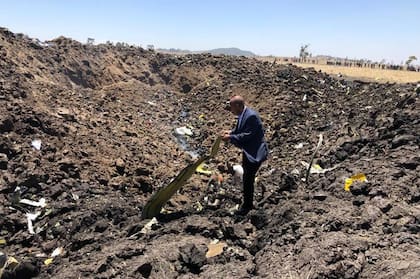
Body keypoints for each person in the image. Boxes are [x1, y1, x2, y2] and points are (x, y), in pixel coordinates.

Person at [221, 95, 268, 215]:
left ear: (238, 106)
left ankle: (247, 206)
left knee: (248, 178)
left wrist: (230, 137)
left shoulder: (251, 116)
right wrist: (230, 132)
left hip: (254, 152)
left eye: (231, 107)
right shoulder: (243, 114)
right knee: (248, 177)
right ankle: (247, 203)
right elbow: (240, 129)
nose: (230, 110)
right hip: (249, 151)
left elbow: (247, 135)